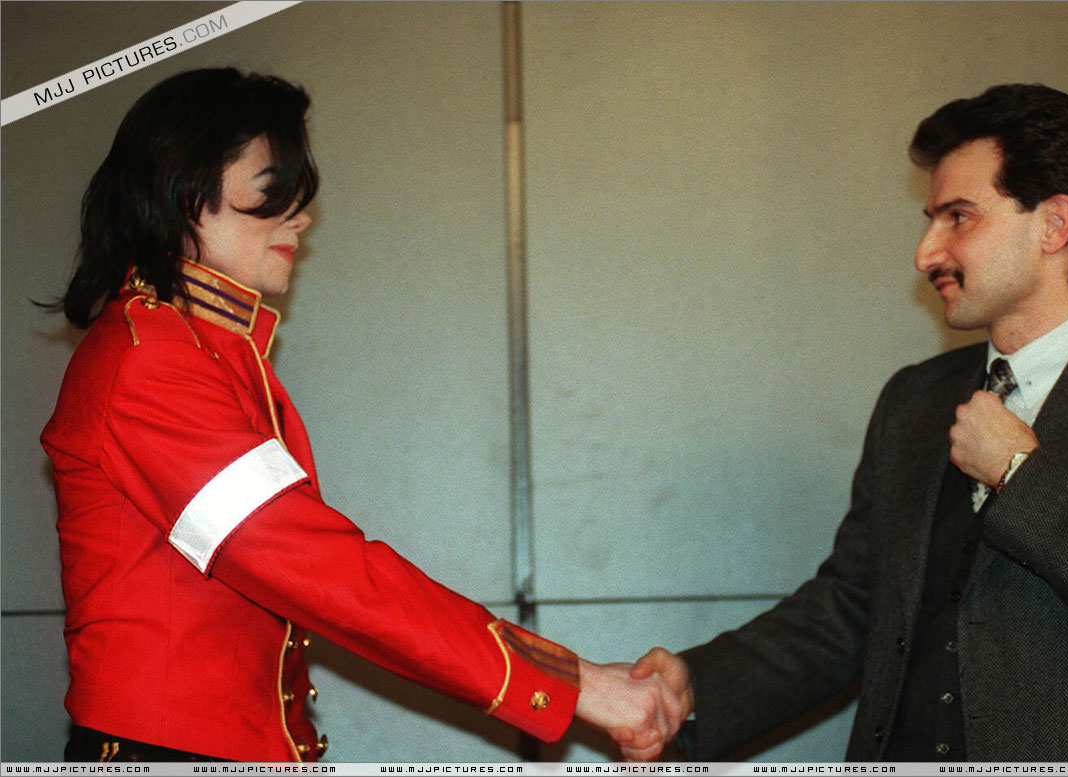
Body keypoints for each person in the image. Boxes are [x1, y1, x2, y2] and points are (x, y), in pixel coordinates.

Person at [40, 67, 680, 763]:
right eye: (273, 190)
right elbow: (318, 568)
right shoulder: (150, 361)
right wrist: (567, 683)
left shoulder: (199, 351)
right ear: (181, 191)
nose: (299, 217)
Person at [627, 84, 1068, 762]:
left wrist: (1020, 472)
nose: (926, 253)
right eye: (932, 220)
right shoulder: (914, 400)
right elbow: (854, 606)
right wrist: (698, 684)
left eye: (958, 217)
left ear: (1054, 224)